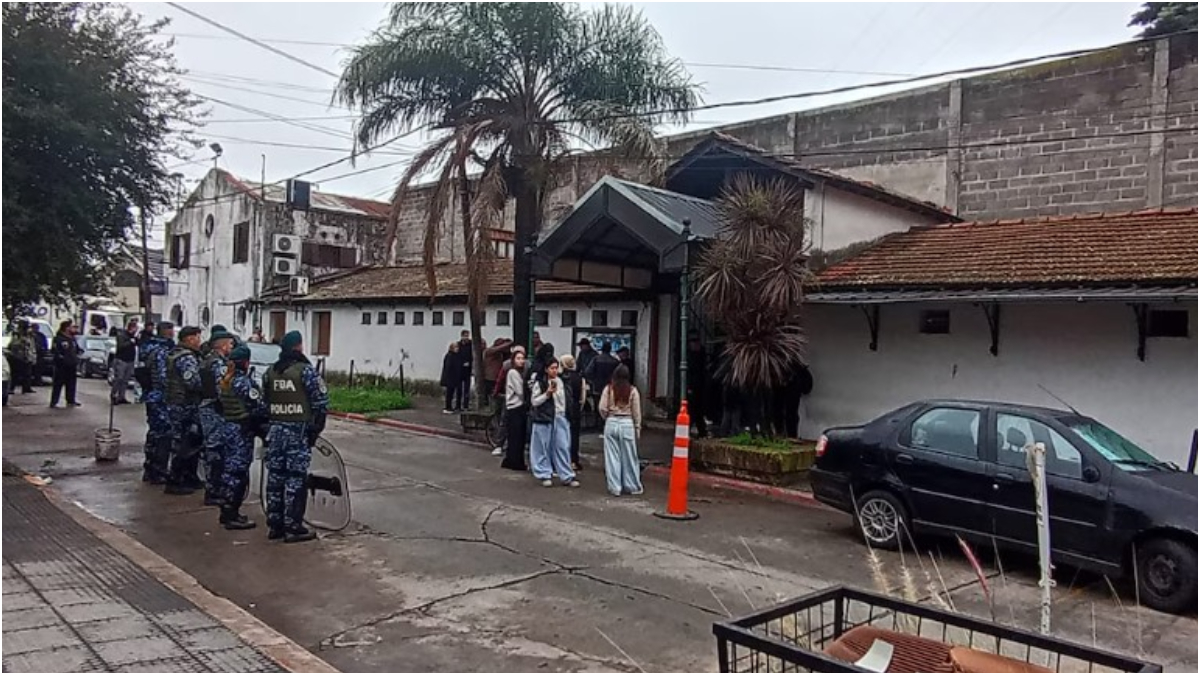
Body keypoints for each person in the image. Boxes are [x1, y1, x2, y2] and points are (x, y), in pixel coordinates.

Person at [263, 331, 329, 543]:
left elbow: (264, 404)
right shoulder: (305, 371)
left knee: (275, 478)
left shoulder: (270, 372)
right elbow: (320, 404)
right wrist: (314, 431)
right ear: (298, 347)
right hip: (297, 433)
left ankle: (275, 525)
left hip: (275, 432)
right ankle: (293, 526)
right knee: (295, 479)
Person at [216, 344, 267, 530]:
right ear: (245, 362)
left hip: (229, 428)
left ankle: (226, 511)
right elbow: (258, 406)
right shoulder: (243, 382)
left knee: (229, 470)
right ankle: (231, 514)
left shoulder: (225, 381)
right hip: (241, 431)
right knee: (237, 472)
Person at [165, 326, 205, 495]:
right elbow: (193, 382)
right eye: (197, 338)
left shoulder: (175, 353)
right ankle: (175, 480)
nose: (199, 341)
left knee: (191, 443)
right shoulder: (186, 358)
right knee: (184, 444)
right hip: (184, 405)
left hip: (179, 404)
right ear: (190, 339)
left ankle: (190, 477)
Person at [528, 356, 578, 488]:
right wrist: (547, 394)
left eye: (556, 368)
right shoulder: (540, 383)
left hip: (560, 417)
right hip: (545, 418)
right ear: (546, 369)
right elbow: (534, 402)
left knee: (562, 446)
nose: (555, 371)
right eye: (552, 368)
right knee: (543, 447)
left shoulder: (561, 382)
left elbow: (566, 400)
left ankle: (566, 475)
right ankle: (544, 473)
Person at [199, 328, 236, 505]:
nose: (232, 347)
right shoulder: (218, 364)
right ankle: (213, 491)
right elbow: (223, 389)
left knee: (213, 450)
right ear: (222, 346)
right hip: (213, 409)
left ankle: (213, 488)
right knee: (215, 451)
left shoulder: (209, 360)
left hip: (209, 408)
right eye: (230, 344)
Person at [599, 364, 644, 497]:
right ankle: (632, 485)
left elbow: (602, 408)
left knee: (612, 457)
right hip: (627, 423)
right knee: (630, 457)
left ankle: (615, 487)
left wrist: (607, 418)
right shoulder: (632, 391)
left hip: (611, 422)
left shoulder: (608, 389)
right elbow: (637, 413)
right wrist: (637, 428)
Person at [141, 322, 175, 483]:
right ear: (166, 332)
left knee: (154, 433)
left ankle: (150, 468)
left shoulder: (150, 348)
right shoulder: (162, 351)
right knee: (163, 434)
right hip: (161, 397)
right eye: (171, 331)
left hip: (152, 395)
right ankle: (158, 471)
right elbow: (163, 378)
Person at [499, 348, 529, 470]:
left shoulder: (520, 373)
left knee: (517, 436)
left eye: (522, 358)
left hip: (518, 406)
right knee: (516, 436)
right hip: (515, 407)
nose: (521, 361)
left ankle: (514, 459)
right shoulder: (513, 373)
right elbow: (520, 391)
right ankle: (515, 461)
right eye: (518, 358)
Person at [559, 354, 586, 471]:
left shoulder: (560, 377)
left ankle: (561, 459)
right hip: (575, 408)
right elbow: (583, 397)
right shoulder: (580, 378)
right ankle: (573, 460)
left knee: (561, 435)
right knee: (574, 435)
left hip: (562, 408)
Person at [49, 320, 81, 408]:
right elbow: (55, 351)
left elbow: (77, 349)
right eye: (71, 327)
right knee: (58, 384)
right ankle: (54, 402)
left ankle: (71, 400)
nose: (73, 329)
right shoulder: (59, 338)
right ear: (66, 328)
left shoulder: (72, 339)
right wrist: (62, 359)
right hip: (61, 366)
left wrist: (77, 356)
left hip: (72, 365)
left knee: (71, 383)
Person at [686, 332, 709, 438]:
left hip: (700, 387)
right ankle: (695, 430)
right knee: (692, 411)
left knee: (698, 411)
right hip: (692, 387)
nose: (694, 344)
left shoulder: (701, 355)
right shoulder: (689, 356)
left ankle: (702, 431)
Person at [111, 320, 138, 404]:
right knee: (119, 378)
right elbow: (121, 346)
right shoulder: (122, 335)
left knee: (125, 380)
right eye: (135, 328)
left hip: (130, 360)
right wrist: (130, 342)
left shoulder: (133, 336)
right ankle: (113, 395)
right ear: (131, 328)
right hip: (121, 359)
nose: (136, 330)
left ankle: (121, 396)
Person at [482, 338, 511, 406]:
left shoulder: (501, 354)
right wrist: (509, 343)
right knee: (492, 396)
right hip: (490, 378)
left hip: (498, 378)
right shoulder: (489, 351)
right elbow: (498, 348)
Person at [10, 321, 36, 394]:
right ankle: (11, 388)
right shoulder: (17, 334)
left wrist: (33, 356)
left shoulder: (30, 335)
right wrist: (21, 342)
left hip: (27, 356)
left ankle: (26, 388)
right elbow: (13, 345)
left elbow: (32, 346)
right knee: (15, 374)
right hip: (18, 357)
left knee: (28, 374)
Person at [440, 341, 462, 413]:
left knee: (452, 393)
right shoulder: (450, 356)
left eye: (457, 347)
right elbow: (448, 368)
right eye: (455, 347)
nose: (457, 349)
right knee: (449, 393)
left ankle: (450, 407)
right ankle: (447, 407)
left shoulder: (457, 356)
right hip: (450, 378)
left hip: (454, 378)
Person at [457, 330, 473, 411]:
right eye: (465, 336)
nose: (466, 337)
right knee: (459, 388)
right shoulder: (458, 345)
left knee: (467, 388)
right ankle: (458, 405)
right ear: (462, 336)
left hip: (468, 369)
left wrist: (470, 363)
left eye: (467, 335)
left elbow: (472, 356)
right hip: (459, 369)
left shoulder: (471, 345)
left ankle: (466, 405)